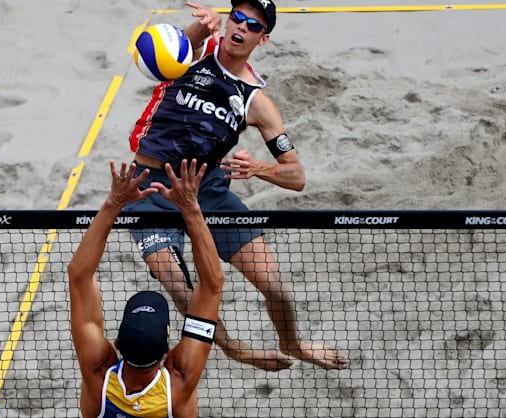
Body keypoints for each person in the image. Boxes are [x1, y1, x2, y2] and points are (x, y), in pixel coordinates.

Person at [124, 0, 349, 370]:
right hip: (151, 188)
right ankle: (231, 346)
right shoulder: (193, 56)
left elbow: (297, 176)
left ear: (263, 39)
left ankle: (293, 344)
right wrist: (202, 26)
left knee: (275, 287)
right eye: (237, 18)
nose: (241, 27)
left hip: (206, 189)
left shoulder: (256, 101)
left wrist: (259, 168)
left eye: (254, 25)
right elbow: (169, 48)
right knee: (179, 286)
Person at [68, 159, 224, 418]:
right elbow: (211, 285)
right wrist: (191, 208)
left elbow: (79, 275)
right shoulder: (179, 385)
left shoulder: (98, 379)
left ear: (116, 344)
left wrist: (113, 203)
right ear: (168, 351)